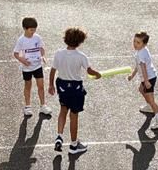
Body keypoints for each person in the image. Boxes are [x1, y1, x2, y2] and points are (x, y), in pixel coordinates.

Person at [49, 26, 101, 155]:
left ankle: (59, 136)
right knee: (74, 116)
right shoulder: (81, 56)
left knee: (63, 110)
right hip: (75, 88)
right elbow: (89, 71)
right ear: (80, 42)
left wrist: (51, 85)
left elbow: (53, 70)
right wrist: (98, 74)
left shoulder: (59, 54)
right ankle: (73, 145)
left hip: (62, 85)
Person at [13, 16, 53, 117]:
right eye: (31, 30)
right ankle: (28, 106)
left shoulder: (37, 37)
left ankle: (43, 105)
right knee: (28, 86)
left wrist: (43, 56)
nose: (33, 31)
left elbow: (41, 48)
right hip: (27, 68)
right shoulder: (21, 40)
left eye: (35, 29)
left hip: (37, 66)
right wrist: (23, 60)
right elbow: (16, 53)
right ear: (25, 28)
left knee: (41, 86)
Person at [128, 31, 158, 126]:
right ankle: (149, 107)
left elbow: (143, 68)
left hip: (148, 78)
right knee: (141, 89)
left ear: (144, 44)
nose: (135, 44)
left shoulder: (140, 54)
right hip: (150, 76)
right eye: (134, 41)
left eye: (138, 42)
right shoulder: (143, 50)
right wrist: (132, 75)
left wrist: (146, 81)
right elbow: (138, 65)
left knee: (151, 100)